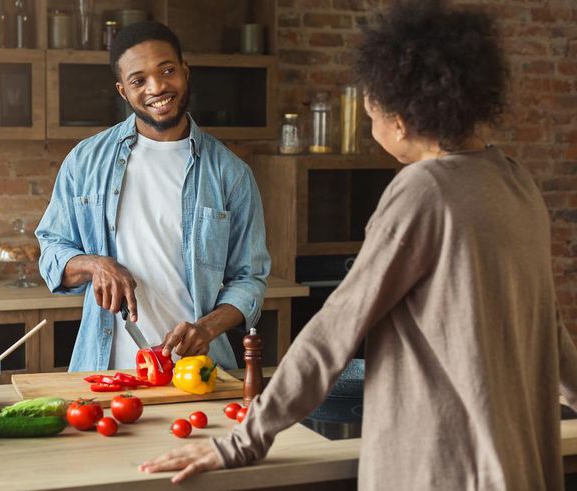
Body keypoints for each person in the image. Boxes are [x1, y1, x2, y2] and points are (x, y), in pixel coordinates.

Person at [138, 1, 577, 489]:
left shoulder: (423, 191)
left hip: (446, 468)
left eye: (373, 116)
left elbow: (334, 331)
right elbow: (550, 333)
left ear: (403, 119)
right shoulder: (515, 182)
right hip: (523, 465)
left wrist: (244, 440)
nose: (373, 130)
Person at [36, 21, 270, 371]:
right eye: (138, 80)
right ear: (123, 91)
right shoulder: (84, 161)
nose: (157, 87)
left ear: (185, 72)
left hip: (197, 371)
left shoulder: (231, 174)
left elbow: (249, 279)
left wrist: (206, 328)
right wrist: (95, 265)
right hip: (105, 370)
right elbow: (51, 251)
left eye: (167, 71)